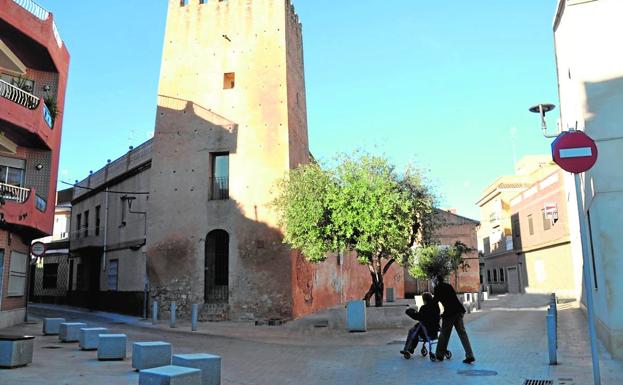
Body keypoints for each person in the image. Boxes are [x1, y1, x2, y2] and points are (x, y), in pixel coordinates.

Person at [433, 274, 476, 364]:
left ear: (436, 281)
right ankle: (470, 355)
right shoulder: (448, 286)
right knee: (462, 333)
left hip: (449, 313)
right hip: (458, 310)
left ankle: (439, 354)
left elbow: (435, 303)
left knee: (444, 333)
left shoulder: (437, 289)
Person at [400, 292, 440, 358]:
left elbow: (418, 317)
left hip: (426, 332)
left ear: (424, 300)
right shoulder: (436, 307)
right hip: (435, 331)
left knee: (413, 331)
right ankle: (410, 349)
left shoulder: (424, 308)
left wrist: (409, 312)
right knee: (417, 329)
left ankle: (408, 349)